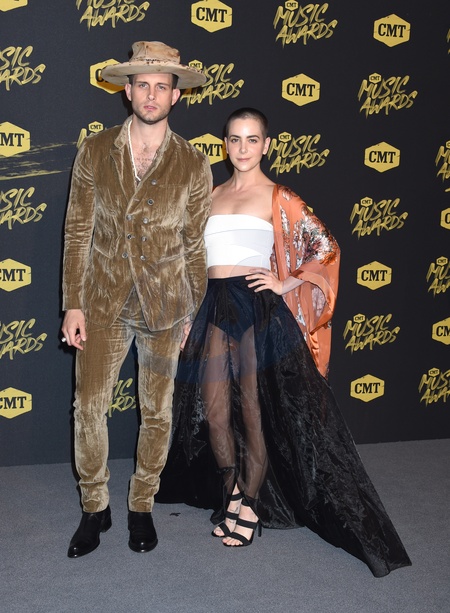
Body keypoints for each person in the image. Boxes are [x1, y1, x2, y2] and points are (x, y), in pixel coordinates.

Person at [158, 108, 411, 577]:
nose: (243, 148)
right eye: (235, 139)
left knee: (254, 411)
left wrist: (285, 281)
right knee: (215, 413)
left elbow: (326, 247)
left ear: (266, 145)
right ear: (224, 145)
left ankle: (250, 506)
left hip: (255, 307)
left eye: (252, 139)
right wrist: (188, 317)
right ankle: (233, 491)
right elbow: (192, 263)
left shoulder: (279, 196)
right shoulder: (210, 196)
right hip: (213, 306)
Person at [61, 41, 212, 558]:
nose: (151, 94)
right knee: (88, 407)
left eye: (161, 86)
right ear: (127, 91)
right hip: (102, 300)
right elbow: (77, 231)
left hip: (166, 306)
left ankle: (142, 504)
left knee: (158, 412)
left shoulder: (193, 162)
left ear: (176, 95)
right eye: (142, 84)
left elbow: (195, 244)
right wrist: (73, 303)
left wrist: (193, 310)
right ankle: (94, 506)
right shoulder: (95, 149)